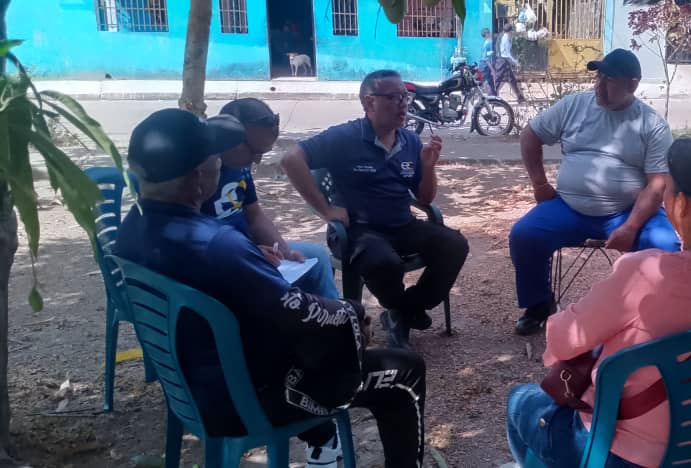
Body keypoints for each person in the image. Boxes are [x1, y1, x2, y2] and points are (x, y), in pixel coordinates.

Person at [116, 109, 428, 468]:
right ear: (197, 179)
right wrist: (354, 313)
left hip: (190, 389)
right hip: (247, 400)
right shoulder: (217, 245)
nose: (222, 162)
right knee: (404, 370)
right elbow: (297, 312)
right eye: (215, 158)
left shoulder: (132, 230)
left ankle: (323, 443)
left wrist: (251, 261)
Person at [506, 134, 691, 467]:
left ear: (682, 205)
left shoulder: (645, 274)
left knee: (520, 402)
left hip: (618, 454)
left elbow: (563, 342)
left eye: (667, 189)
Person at [280, 69, 470, 351]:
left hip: (402, 225)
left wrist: (428, 167)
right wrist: (325, 209)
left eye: (405, 97)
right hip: (358, 230)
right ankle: (401, 313)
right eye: (394, 97)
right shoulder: (345, 137)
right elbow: (290, 158)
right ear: (370, 103)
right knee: (385, 262)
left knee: (455, 245)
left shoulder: (410, 141)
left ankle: (403, 310)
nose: (404, 104)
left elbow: (425, 198)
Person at [510, 48, 680, 336]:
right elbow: (531, 136)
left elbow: (657, 184)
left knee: (665, 244)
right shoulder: (574, 105)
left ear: (632, 84)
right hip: (569, 208)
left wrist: (631, 226)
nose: (599, 85)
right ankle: (539, 305)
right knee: (524, 235)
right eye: (598, 76)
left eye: (609, 79)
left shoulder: (651, 124)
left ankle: (652, 314)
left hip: (628, 211)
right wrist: (540, 184)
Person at [199, 97, 339, 299]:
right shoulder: (199, 178)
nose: (257, 160)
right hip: (222, 262)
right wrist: (250, 254)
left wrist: (284, 250)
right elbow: (197, 242)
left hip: (247, 250)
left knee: (315, 257)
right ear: (229, 137)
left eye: (263, 152)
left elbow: (254, 215)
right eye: (255, 151)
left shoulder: (240, 166)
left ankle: (337, 321)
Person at [492, 23, 526, 102]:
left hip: (503, 60)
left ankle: (519, 96)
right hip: (502, 60)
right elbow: (506, 54)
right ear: (510, 31)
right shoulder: (505, 38)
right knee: (498, 79)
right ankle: (492, 98)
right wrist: (516, 62)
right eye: (512, 31)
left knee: (512, 79)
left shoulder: (504, 35)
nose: (513, 33)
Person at [479, 27, 498, 96]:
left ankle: (493, 97)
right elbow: (486, 59)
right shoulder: (489, 43)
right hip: (485, 65)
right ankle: (472, 96)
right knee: (480, 82)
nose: (490, 33)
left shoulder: (487, 42)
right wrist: (492, 69)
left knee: (490, 82)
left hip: (484, 65)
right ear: (486, 34)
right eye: (489, 32)